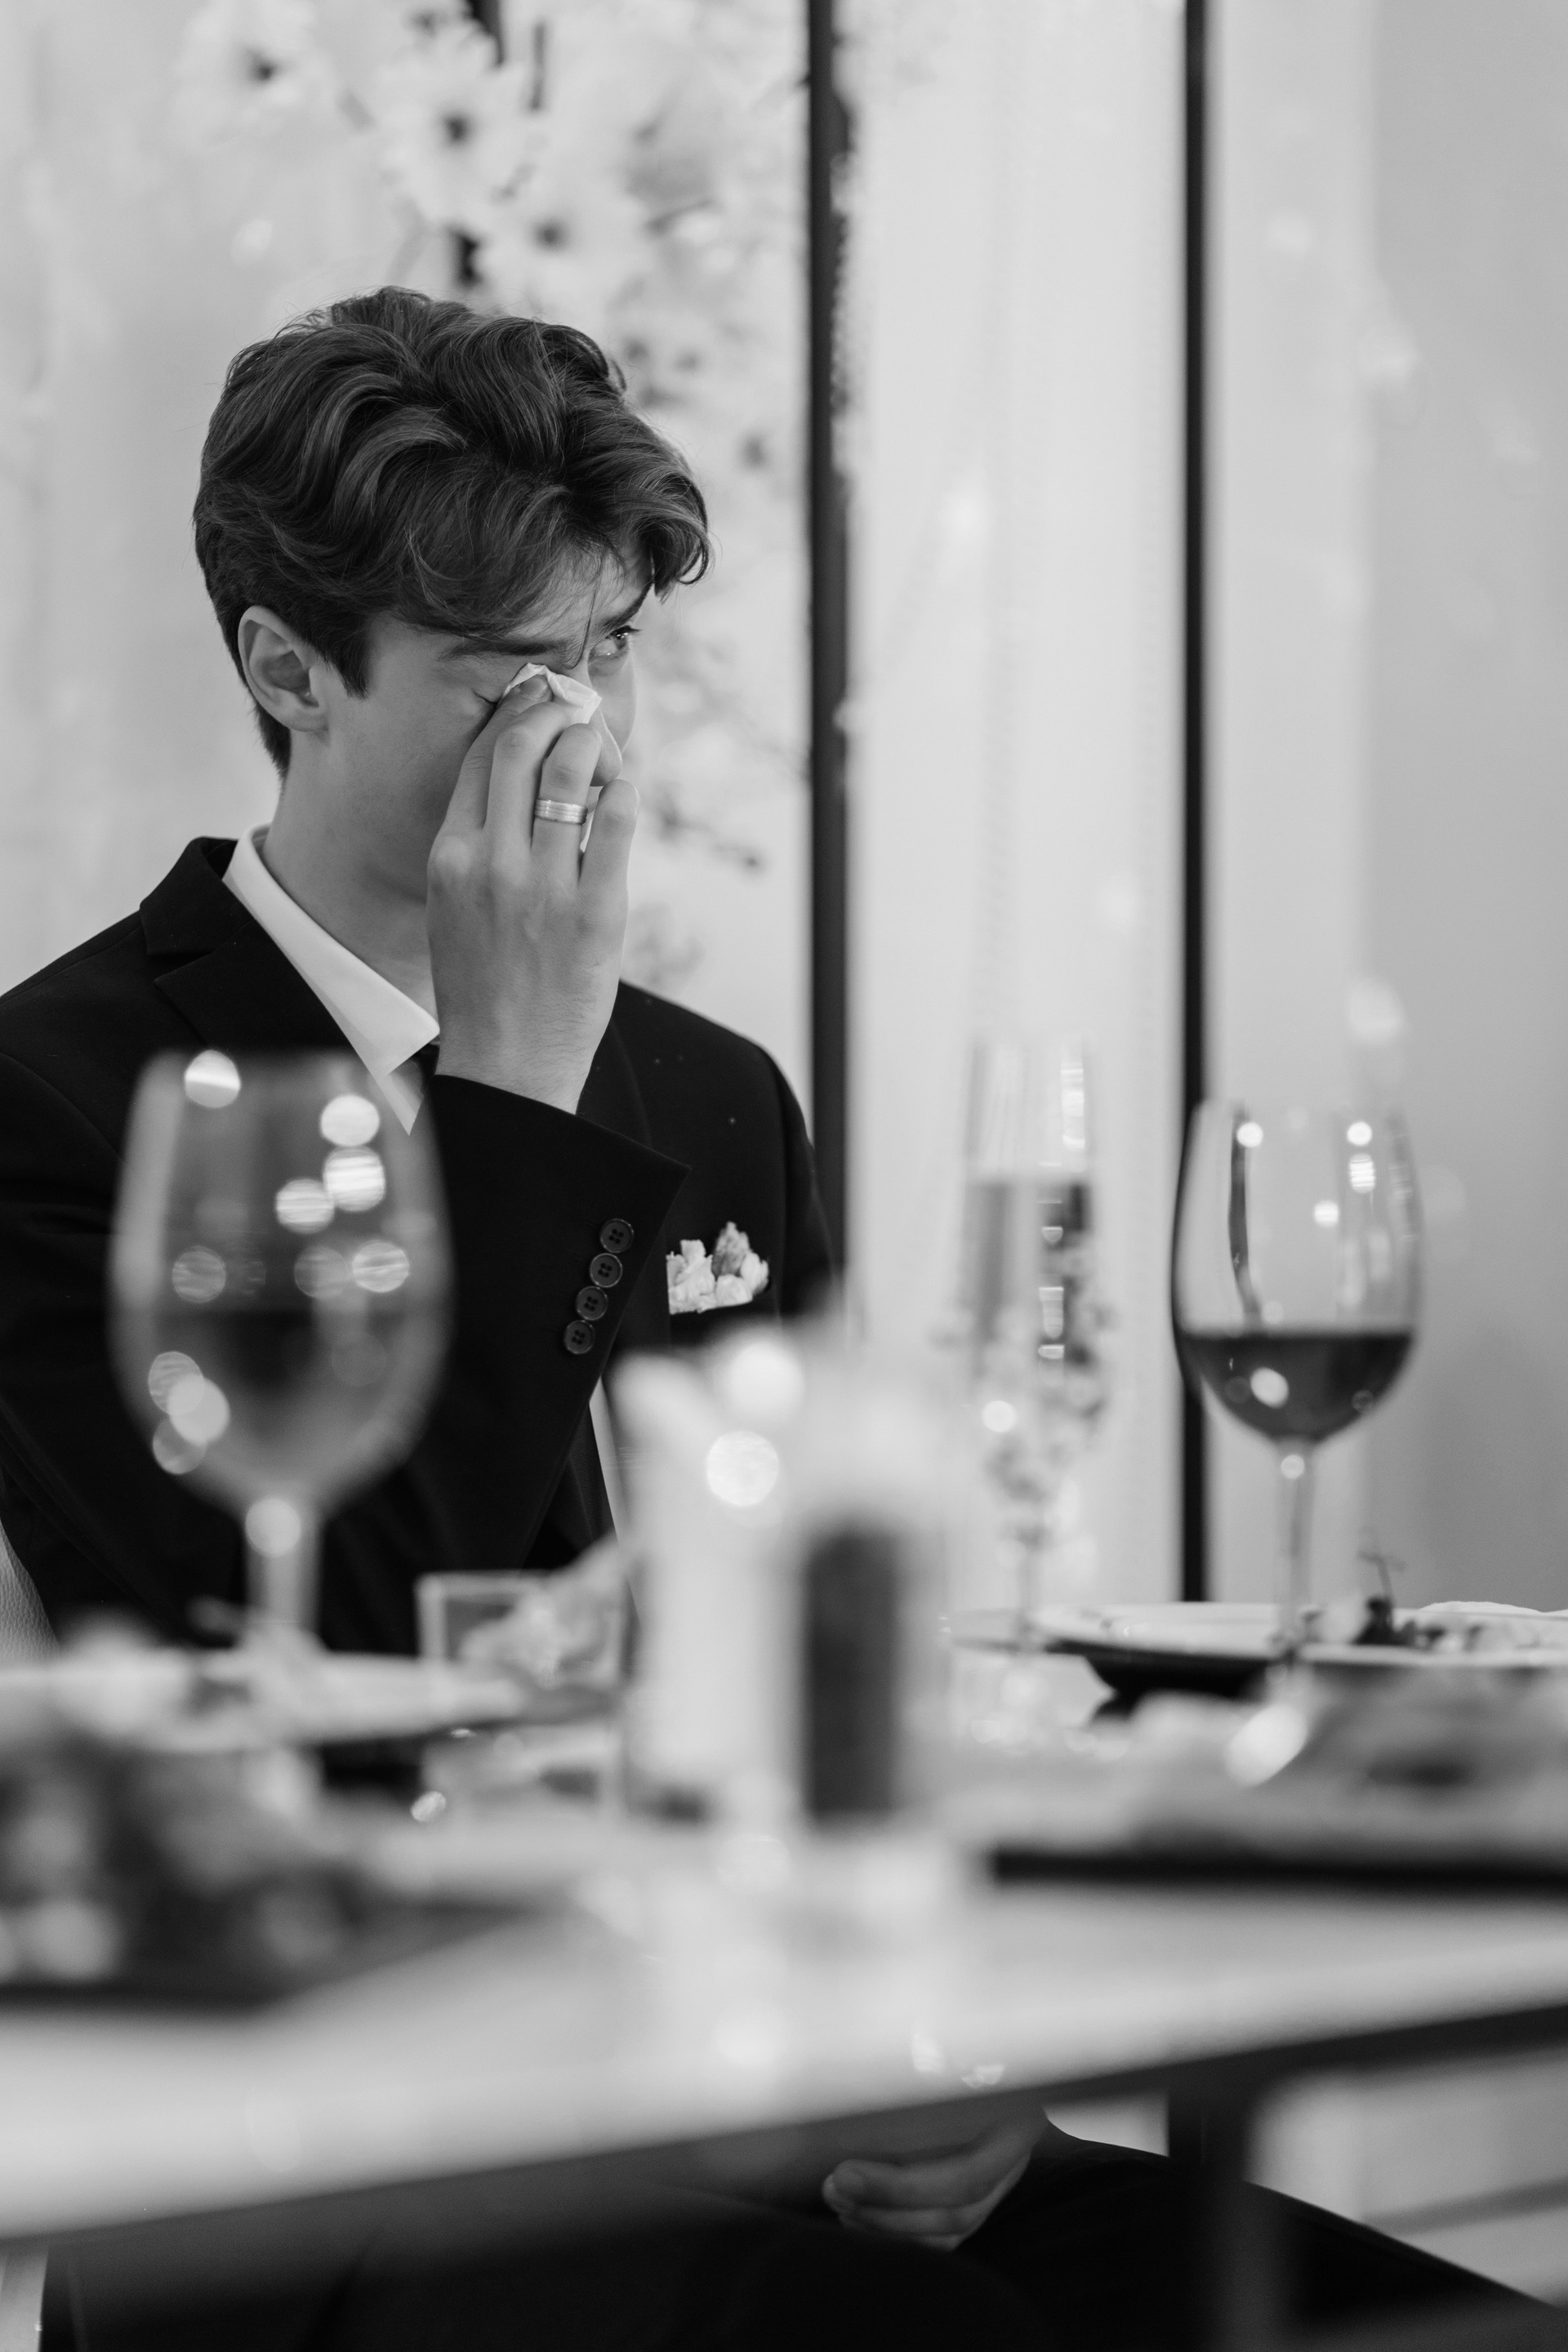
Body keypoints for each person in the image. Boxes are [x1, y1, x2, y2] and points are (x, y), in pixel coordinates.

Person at [0, 289, 1521, 2350]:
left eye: (614, 649)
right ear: (289, 670)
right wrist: (515, 1094)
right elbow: (305, 1669)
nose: (588, 735)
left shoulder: (713, 1093)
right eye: (511, 676)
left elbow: (825, 1656)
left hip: (754, 2092)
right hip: (324, 2169)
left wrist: (940, 2050)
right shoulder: (68, 1099)